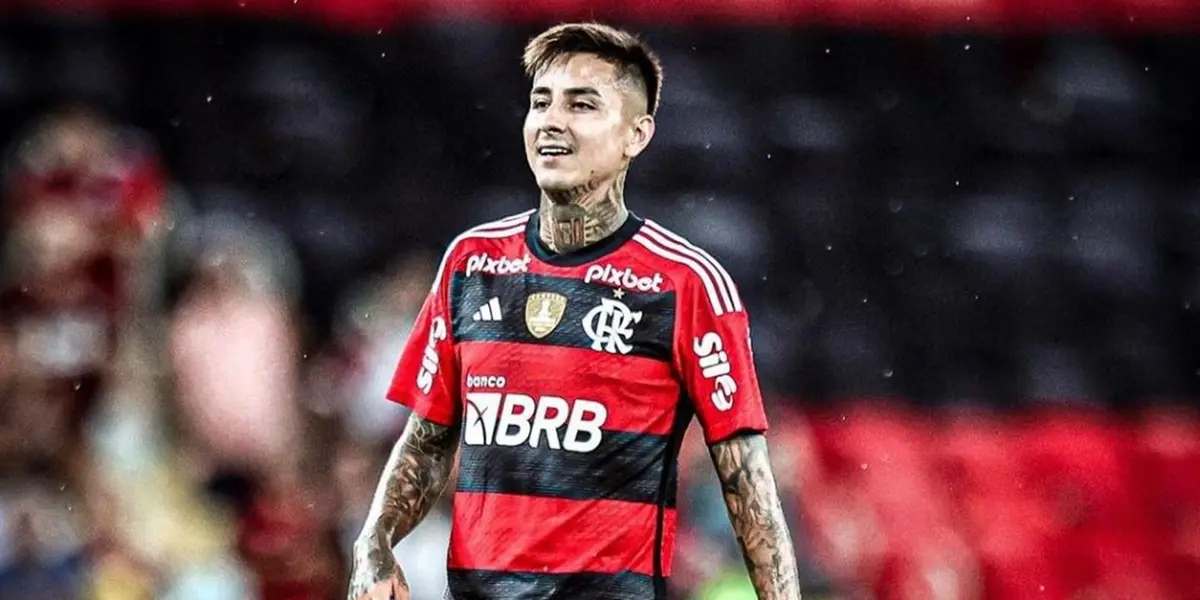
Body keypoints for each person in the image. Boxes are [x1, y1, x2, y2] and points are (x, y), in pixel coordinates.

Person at [347, 22, 800, 600]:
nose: (552, 121)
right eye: (541, 102)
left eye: (582, 104)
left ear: (637, 134)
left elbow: (748, 483)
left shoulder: (686, 284)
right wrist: (375, 543)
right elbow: (427, 442)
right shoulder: (470, 262)